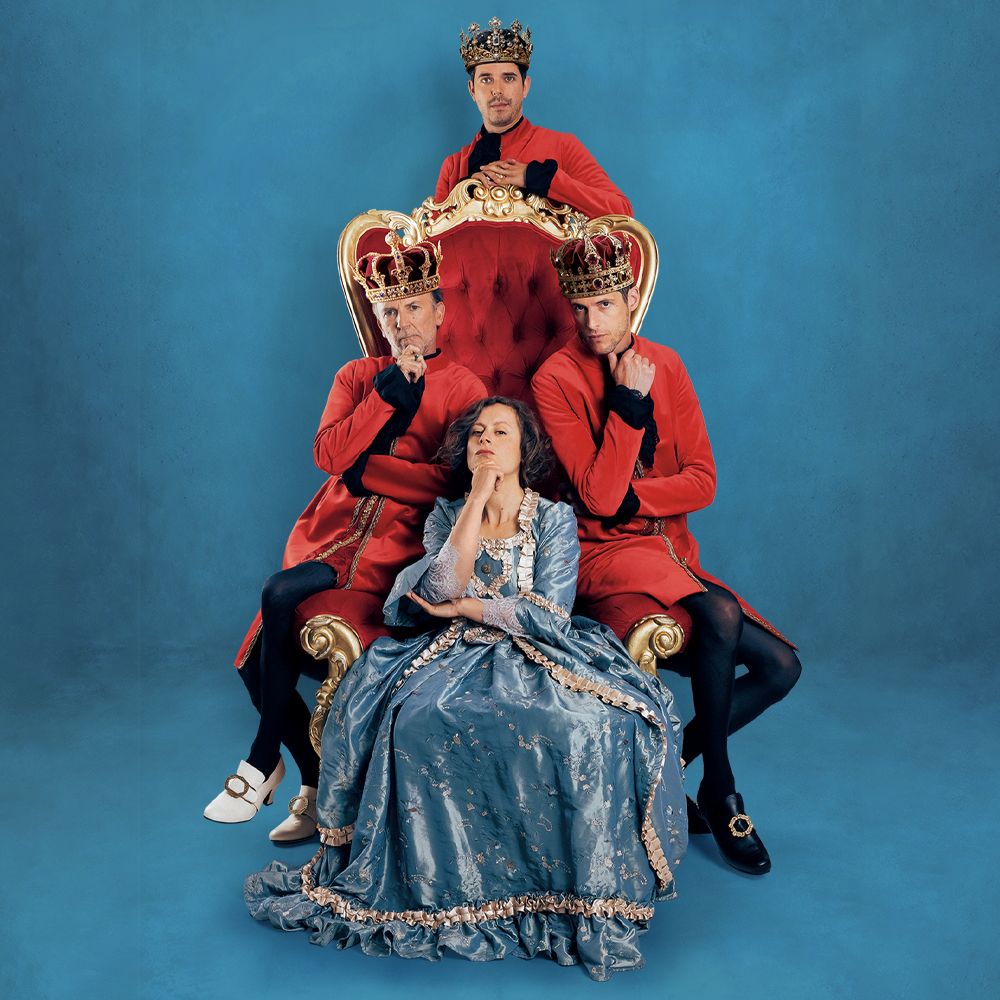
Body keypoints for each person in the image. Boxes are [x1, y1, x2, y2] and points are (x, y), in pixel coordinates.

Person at [244, 397, 686, 981]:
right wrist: (475, 501)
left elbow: (550, 613)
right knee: (418, 719)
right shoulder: (447, 514)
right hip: (454, 653)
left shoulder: (553, 518)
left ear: (524, 450)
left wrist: (471, 607)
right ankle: (444, 887)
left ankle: (569, 891)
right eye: (478, 432)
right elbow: (438, 588)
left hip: (541, 652)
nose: (486, 440)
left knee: (590, 724)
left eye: (500, 432)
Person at [532, 231, 802, 876]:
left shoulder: (668, 364)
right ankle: (723, 789)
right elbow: (596, 501)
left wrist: (631, 497)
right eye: (580, 308)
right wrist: (627, 404)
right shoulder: (555, 377)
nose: (591, 322)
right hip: (599, 551)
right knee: (720, 613)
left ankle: (673, 762)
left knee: (782, 668)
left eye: (604, 304)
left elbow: (703, 482)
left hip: (669, 549)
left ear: (632, 299)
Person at [203, 236, 487, 840]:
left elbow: (453, 481)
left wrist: (369, 471)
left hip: (398, 546)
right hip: (329, 533)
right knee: (252, 666)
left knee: (278, 592)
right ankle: (310, 781)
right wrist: (383, 401)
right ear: (376, 320)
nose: (402, 323)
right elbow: (329, 455)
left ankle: (259, 762)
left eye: (414, 307)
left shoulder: (464, 386)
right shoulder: (358, 376)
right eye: (389, 312)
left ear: (440, 311)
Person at [435, 17, 632, 220]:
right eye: (486, 79)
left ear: (525, 87)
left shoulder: (563, 147)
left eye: (508, 78)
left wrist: (539, 178)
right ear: (472, 91)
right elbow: (433, 237)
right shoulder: (453, 167)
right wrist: (462, 200)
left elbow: (622, 211)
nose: (497, 90)